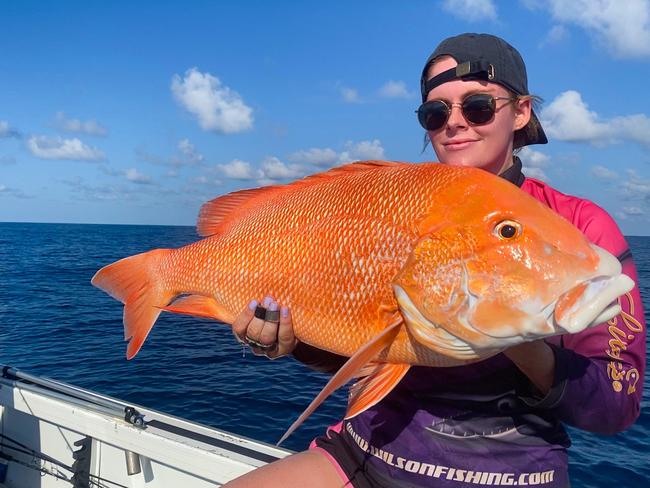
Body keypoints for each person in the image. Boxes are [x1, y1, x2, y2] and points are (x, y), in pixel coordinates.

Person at [223, 33, 646, 488]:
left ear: (521, 112)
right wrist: (290, 340)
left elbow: (614, 407)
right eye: (436, 113)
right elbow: (363, 346)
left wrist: (515, 336)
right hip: (366, 449)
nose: (455, 123)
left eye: (478, 106)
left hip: (514, 474)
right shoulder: (395, 203)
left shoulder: (579, 225)